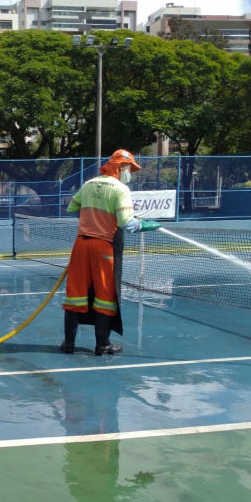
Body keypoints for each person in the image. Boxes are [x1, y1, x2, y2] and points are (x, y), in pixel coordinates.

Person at [62, 149, 162, 356]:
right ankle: (102, 345)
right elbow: (127, 223)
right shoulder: (120, 189)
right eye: (130, 169)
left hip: (81, 245)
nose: (130, 174)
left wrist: (91, 219)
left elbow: (72, 209)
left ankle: (68, 344)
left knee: (75, 295)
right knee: (105, 295)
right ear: (121, 167)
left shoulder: (88, 184)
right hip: (103, 247)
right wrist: (148, 225)